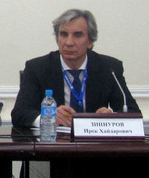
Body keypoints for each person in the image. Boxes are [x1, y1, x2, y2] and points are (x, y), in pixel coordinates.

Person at [11, 9, 140, 128]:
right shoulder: (37, 68)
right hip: (54, 142)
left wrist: (111, 118)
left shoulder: (109, 68)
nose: (69, 43)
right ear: (57, 39)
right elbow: (19, 113)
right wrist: (48, 118)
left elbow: (132, 112)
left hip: (93, 142)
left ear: (90, 41)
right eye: (63, 34)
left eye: (77, 35)